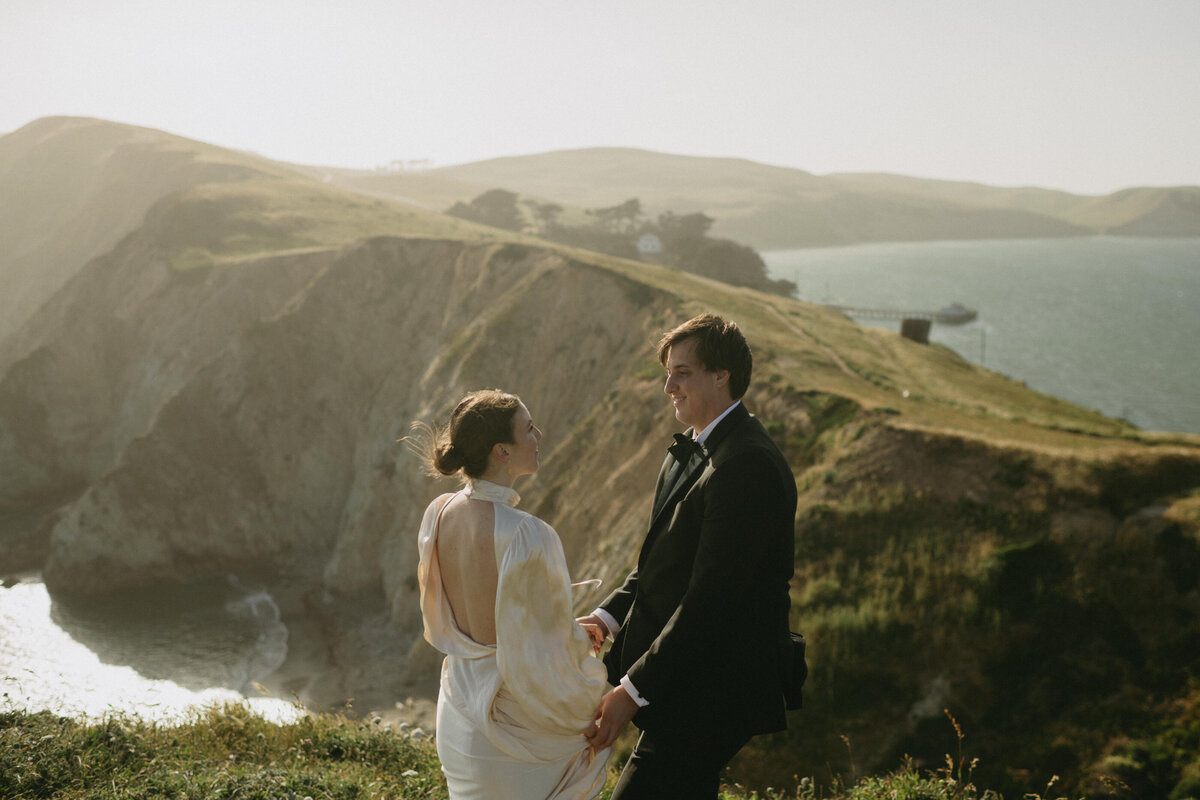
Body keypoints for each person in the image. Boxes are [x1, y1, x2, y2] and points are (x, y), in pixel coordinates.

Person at [579, 314, 798, 799]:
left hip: (718, 687)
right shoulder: (696, 448)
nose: (668, 387)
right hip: (690, 680)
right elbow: (660, 564)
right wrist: (605, 619)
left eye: (682, 372)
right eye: (667, 373)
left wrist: (630, 692)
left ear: (722, 375)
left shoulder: (746, 465)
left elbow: (711, 599)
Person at [412, 389, 610, 799]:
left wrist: (564, 628)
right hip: (516, 726)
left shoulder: (440, 512)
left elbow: (482, 619)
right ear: (502, 450)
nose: (539, 435)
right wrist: (578, 639)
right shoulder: (528, 533)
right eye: (529, 428)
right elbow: (542, 648)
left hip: (460, 708)